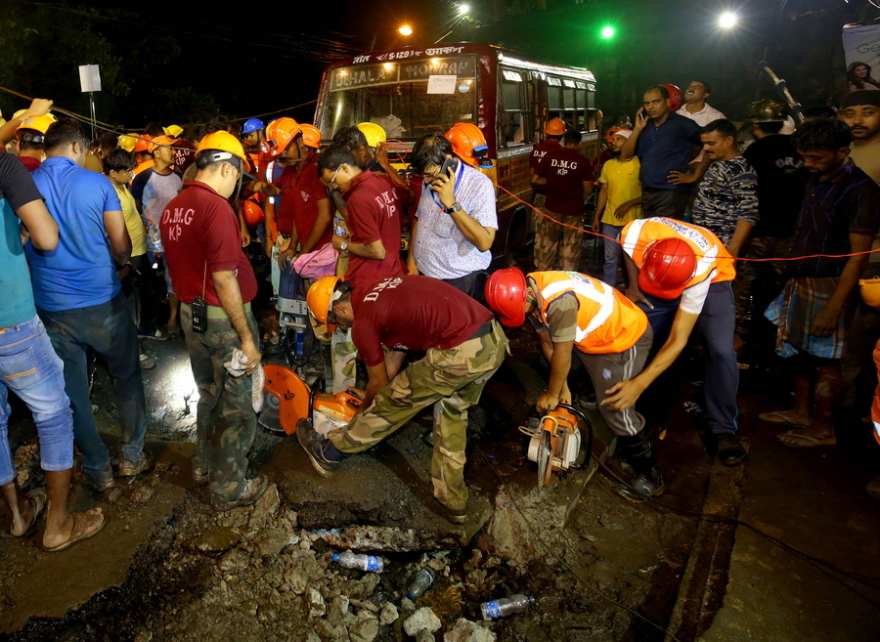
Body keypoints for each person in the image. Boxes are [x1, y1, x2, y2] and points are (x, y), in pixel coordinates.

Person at [297, 275, 509, 523]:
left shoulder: (363, 322)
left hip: (459, 353)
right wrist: (383, 391)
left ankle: (330, 453)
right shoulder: (376, 288)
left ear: (341, 308)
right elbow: (396, 352)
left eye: (338, 322)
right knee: (451, 415)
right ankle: (453, 502)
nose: (343, 327)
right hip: (492, 340)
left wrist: (364, 413)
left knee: (390, 405)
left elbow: (381, 388)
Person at [26, 118, 152, 491]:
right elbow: (120, 241)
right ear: (78, 148)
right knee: (126, 377)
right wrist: (122, 265)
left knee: (72, 392)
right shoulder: (97, 183)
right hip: (103, 301)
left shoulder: (27, 185)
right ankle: (131, 455)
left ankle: (98, 466)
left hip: (51, 308)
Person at [1, 151, 105, 550]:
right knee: (55, 414)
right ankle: (58, 524)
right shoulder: (5, 166)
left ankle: (17, 513)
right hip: (10, 320)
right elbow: (46, 238)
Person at [160, 131, 268, 509]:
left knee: (207, 392)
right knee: (238, 411)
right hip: (223, 323)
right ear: (226, 168)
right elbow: (224, 278)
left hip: (193, 318)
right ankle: (228, 488)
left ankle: (203, 464)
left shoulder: (176, 205)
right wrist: (247, 339)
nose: (237, 185)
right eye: (237, 177)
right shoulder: (215, 208)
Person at [485, 268, 660, 499]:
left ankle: (649, 475)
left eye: (520, 311)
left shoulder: (559, 301)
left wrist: (551, 393)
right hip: (594, 336)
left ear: (525, 294)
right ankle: (593, 389)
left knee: (614, 405)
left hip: (624, 339)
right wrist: (562, 391)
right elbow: (548, 343)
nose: (523, 315)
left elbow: (563, 352)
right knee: (567, 370)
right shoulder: (532, 290)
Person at [760, 119, 880, 448]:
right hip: (801, 277)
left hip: (831, 283)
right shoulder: (816, 179)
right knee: (797, 346)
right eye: (804, 157)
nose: (808, 164)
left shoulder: (860, 189)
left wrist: (834, 306)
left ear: (843, 151)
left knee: (825, 358)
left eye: (816, 158)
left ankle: (824, 427)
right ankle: (801, 411)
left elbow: (858, 256)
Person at [605, 217, 747, 466]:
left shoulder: (702, 269)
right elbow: (626, 246)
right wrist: (635, 286)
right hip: (658, 271)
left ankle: (723, 428)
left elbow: (678, 339)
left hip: (714, 281)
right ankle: (617, 399)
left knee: (722, 350)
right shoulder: (637, 232)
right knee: (638, 333)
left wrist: (640, 383)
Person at [317, 144, 407, 392]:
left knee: (344, 337)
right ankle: (379, 399)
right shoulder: (381, 183)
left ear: (344, 168)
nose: (333, 187)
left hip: (369, 282)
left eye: (332, 180)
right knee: (389, 347)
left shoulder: (359, 198)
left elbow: (375, 250)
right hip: (391, 275)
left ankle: (343, 397)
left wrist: (344, 244)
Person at [734, 100, 809, 350]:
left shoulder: (754, 151)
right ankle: (785, 340)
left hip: (758, 232)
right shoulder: (799, 148)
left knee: (744, 285)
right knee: (785, 289)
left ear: (756, 126)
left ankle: (737, 336)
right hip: (792, 232)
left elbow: (743, 190)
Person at [406, 130, 497, 301]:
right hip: (427, 276)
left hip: (460, 282)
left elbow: (485, 242)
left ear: (448, 161)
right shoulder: (434, 178)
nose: (425, 181)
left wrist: (452, 204)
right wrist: (412, 261)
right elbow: (421, 220)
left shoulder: (478, 185)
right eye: (423, 176)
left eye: (429, 175)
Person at [620, 85, 708, 219]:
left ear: (667, 102)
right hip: (647, 191)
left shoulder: (683, 124)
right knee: (650, 236)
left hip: (671, 192)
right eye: (646, 103)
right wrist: (637, 129)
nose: (650, 107)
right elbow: (625, 155)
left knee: (665, 236)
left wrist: (695, 175)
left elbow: (711, 143)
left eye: (656, 101)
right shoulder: (645, 127)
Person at [254, 124, 331, 268]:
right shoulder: (292, 170)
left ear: (300, 142)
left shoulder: (315, 170)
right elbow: (298, 212)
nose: (284, 155)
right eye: (280, 152)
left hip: (319, 252)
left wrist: (304, 252)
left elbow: (325, 216)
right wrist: (293, 247)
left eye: (287, 149)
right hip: (302, 248)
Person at [131, 134, 183, 339]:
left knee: (174, 280)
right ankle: (147, 324)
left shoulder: (178, 176)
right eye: (169, 148)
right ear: (156, 151)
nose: (174, 152)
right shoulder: (144, 178)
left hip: (173, 239)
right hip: (150, 241)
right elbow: (135, 207)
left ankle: (172, 319)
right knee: (149, 284)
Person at [690, 119, 759, 255]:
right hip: (707, 243)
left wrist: (733, 249)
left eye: (711, 143)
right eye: (704, 143)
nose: (705, 148)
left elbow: (748, 213)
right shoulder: (718, 163)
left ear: (729, 140)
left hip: (723, 246)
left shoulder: (740, 170)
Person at [531, 130, 593, 272]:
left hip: (551, 209)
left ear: (564, 142)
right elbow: (588, 189)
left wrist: (553, 181)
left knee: (547, 248)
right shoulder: (583, 162)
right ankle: (567, 282)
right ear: (579, 144)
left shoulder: (549, 157)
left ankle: (543, 281)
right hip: (574, 212)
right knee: (570, 250)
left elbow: (535, 179)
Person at [593, 128, 642, 286]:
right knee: (610, 259)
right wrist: (597, 217)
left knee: (633, 259)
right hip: (610, 220)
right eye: (613, 140)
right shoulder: (608, 165)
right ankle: (610, 290)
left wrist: (629, 203)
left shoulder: (640, 164)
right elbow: (603, 193)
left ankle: (633, 289)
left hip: (633, 221)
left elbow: (649, 194)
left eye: (619, 139)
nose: (613, 143)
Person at [530, 118, 565, 217]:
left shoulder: (536, 150)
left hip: (539, 195)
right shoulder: (561, 152)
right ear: (561, 135)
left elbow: (532, 174)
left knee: (541, 229)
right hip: (555, 198)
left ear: (547, 133)